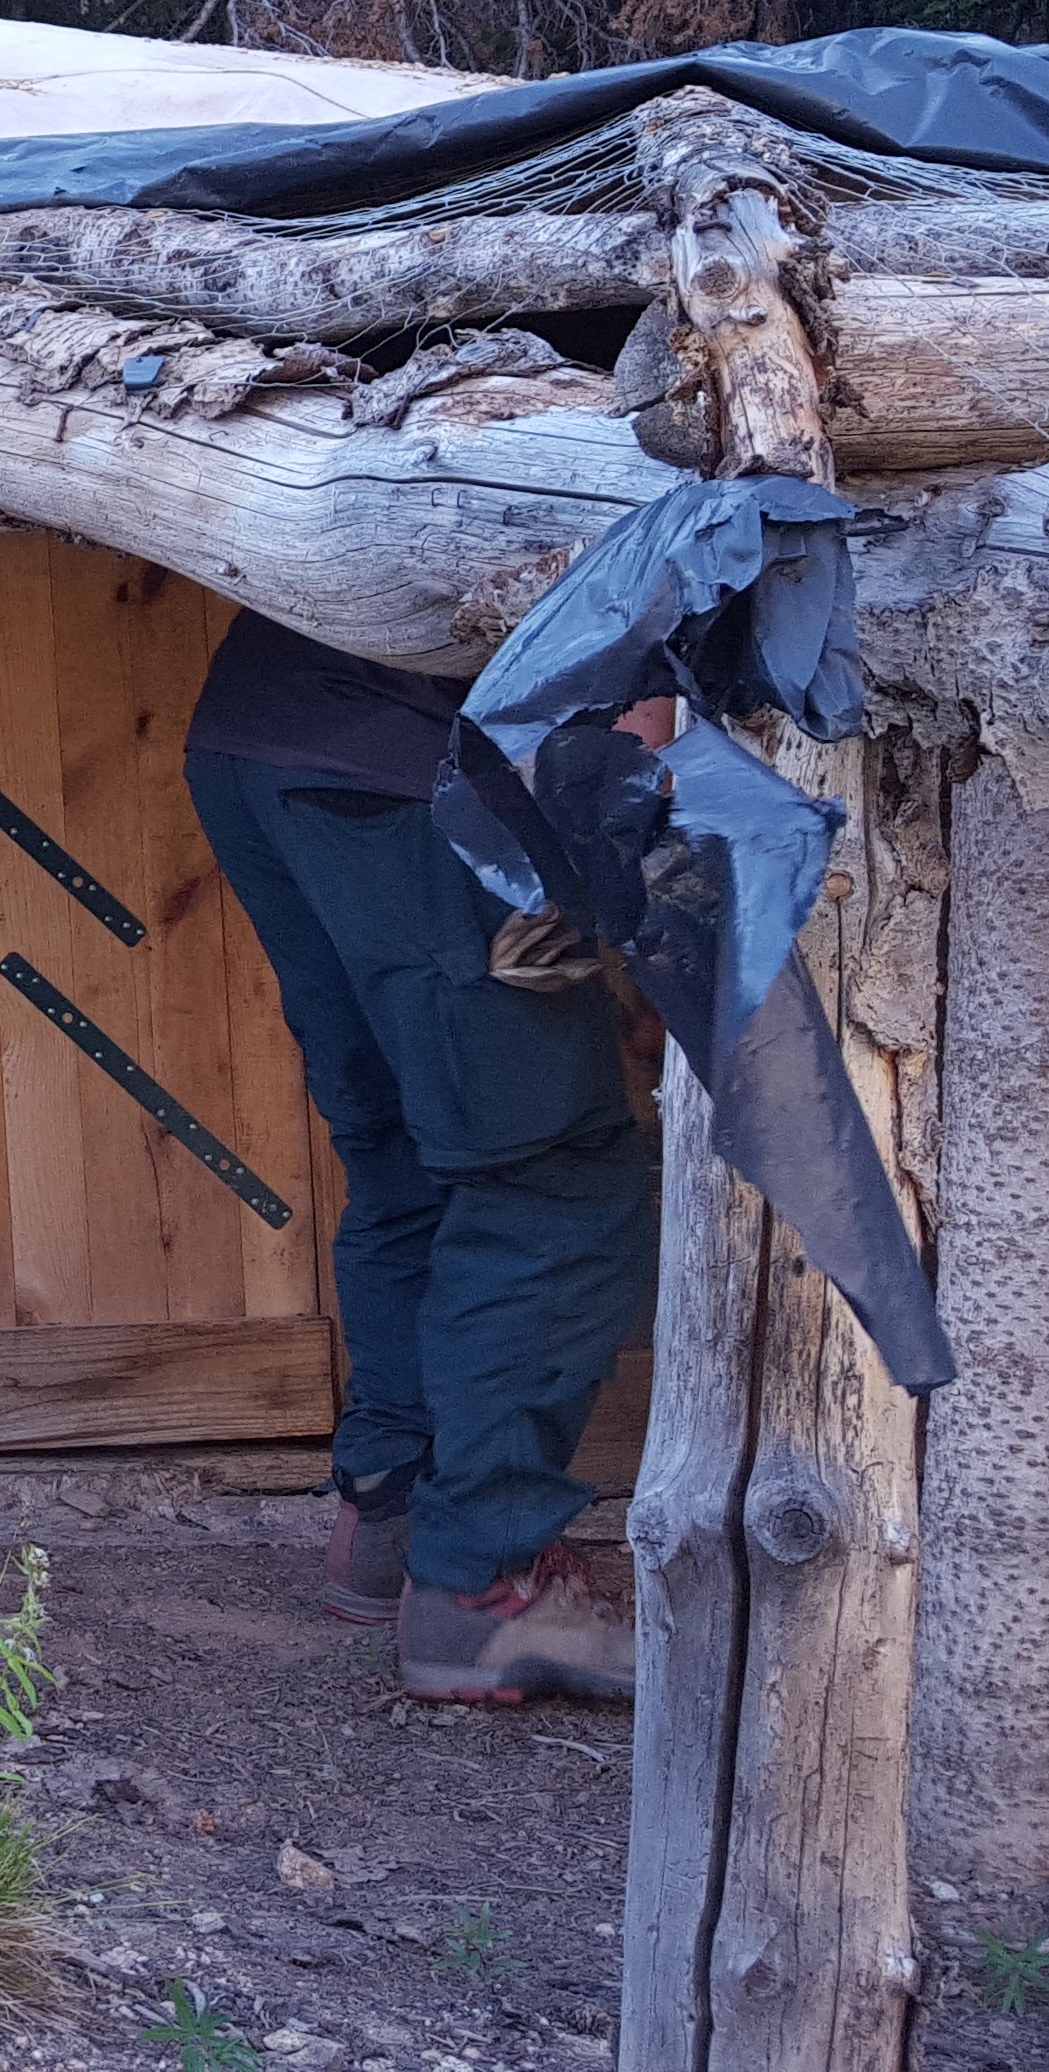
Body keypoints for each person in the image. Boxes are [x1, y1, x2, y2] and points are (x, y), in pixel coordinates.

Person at [182, 612, 659, 1704]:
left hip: (258, 736)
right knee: (550, 1179)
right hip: (418, 778)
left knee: (402, 1145)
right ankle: (480, 1587)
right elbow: (641, 712)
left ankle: (388, 1518)